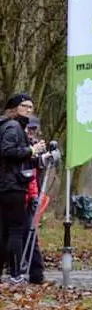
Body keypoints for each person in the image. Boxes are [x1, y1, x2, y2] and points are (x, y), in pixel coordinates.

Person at [0, 93, 47, 284]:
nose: (28, 110)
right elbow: (7, 151)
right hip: (12, 185)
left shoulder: (9, 125)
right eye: (24, 106)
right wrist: (31, 151)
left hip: (7, 184)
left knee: (5, 230)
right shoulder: (12, 126)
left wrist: (34, 155)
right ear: (14, 108)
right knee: (16, 230)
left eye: (31, 107)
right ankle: (15, 273)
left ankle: (12, 272)